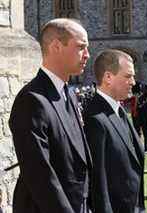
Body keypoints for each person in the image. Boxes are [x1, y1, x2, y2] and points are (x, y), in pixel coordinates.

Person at [9, 18, 92, 213]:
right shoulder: (32, 99)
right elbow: (40, 173)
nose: (87, 54)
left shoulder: (68, 93)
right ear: (56, 47)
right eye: (81, 47)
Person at [83, 49, 145, 213]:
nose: (133, 82)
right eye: (128, 76)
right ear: (108, 77)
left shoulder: (119, 112)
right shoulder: (95, 118)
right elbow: (98, 182)